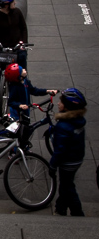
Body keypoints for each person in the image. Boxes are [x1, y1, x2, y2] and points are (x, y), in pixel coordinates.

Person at [0, 0, 29, 104]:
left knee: (22, 72)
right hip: (5, 49)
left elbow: (23, 28)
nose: (15, 3)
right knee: (4, 71)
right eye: (13, 1)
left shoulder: (17, 12)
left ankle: (24, 94)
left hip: (19, 48)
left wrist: (23, 43)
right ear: (6, 5)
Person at [49, 88, 87, 217]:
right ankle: (60, 208)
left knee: (68, 187)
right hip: (77, 158)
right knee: (66, 184)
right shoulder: (78, 121)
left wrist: (52, 165)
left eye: (61, 102)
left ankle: (78, 213)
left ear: (67, 107)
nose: (58, 103)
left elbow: (59, 150)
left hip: (68, 162)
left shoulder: (63, 126)